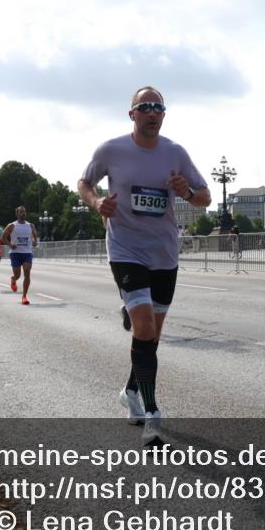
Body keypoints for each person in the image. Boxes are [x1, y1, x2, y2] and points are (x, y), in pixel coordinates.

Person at [78, 85, 210, 443]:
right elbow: (84, 182)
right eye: (145, 107)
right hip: (125, 248)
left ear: (163, 115)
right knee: (145, 324)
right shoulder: (111, 150)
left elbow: (205, 198)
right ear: (132, 113)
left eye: (159, 108)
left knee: (151, 333)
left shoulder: (175, 153)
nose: (153, 112)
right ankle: (152, 415)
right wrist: (96, 202)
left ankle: (130, 392)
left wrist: (184, 191)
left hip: (164, 252)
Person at [2, 206, 38, 305]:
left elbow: (35, 236)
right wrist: (10, 245)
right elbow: (3, 237)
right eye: (21, 212)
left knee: (27, 271)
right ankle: (13, 279)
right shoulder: (12, 225)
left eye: (24, 212)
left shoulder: (30, 225)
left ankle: (24, 296)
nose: (23, 213)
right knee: (17, 275)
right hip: (15, 253)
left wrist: (35, 242)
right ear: (17, 213)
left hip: (27, 253)